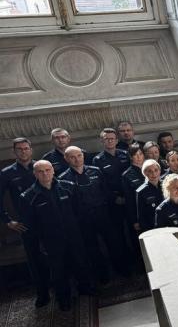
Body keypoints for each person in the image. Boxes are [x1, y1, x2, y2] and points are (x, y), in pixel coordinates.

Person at [19, 161, 93, 311]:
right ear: (35, 174)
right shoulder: (28, 196)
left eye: (47, 170)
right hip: (51, 240)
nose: (45, 174)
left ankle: (85, 288)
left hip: (73, 235)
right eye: (40, 171)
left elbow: (79, 211)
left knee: (80, 262)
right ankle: (64, 298)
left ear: (53, 170)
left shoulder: (68, 186)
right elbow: (30, 225)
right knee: (58, 271)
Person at [60, 146, 129, 281]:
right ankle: (102, 276)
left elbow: (106, 192)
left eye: (79, 155)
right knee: (92, 248)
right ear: (66, 159)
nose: (77, 159)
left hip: (103, 214)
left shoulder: (96, 171)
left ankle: (122, 270)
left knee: (114, 243)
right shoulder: (63, 179)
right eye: (73, 157)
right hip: (83, 219)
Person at [1, 138, 49, 306]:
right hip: (26, 223)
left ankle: (61, 288)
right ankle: (42, 294)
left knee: (55, 255)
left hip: (49, 220)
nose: (23, 151)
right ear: (14, 152)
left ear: (31, 149)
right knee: (34, 259)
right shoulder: (7, 173)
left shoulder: (42, 166)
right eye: (19, 149)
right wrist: (8, 221)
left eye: (26, 148)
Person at [92, 128, 130, 243]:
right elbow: (100, 185)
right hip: (113, 201)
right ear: (102, 141)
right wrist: (114, 198)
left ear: (117, 140)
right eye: (106, 139)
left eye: (112, 139)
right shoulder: (97, 160)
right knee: (118, 233)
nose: (109, 141)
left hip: (129, 198)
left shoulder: (125, 154)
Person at [136, 160, 164, 232]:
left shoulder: (166, 185)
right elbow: (141, 216)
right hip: (153, 227)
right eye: (150, 171)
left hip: (168, 224)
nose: (154, 173)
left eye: (156, 170)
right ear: (145, 173)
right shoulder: (141, 191)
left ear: (159, 171)